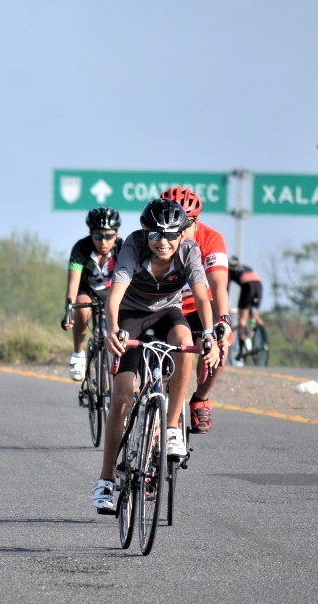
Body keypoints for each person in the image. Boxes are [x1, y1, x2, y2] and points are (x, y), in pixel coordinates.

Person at [91, 198, 222, 514]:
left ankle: (173, 427)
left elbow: (203, 297)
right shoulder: (133, 247)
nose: (162, 243)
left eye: (170, 235)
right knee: (122, 398)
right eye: (155, 235)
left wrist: (210, 335)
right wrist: (111, 329)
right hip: (131, 317)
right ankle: (106, 479)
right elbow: (116, 293)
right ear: (145, 234)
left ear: (181, 234)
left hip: (168, 313)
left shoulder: (189, 252)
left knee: (185, 341)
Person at [160, 187, 232, 434]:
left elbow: (218, 285)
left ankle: (201, 397)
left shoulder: (211, 239)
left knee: (224, 341)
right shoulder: (160, 239)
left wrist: (223, 320)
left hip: (198, 308)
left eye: (186, 223)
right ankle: (164, 403)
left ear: (196, 220)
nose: (180, 230)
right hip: (166, 307)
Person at [60, 207, 122, 383]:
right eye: (98, 236)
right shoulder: (81, 248)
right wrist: (68, 311)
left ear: (116, 234)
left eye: (109, 236)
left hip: (112, 292)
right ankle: (78, 354)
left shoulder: (122, 248)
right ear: (90, 235)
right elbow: (73, 283)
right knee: (82, 309)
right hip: (88, 290)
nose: (103, 241)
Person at [227, 256, 265, 359]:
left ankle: (242, 349)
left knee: (242, 321)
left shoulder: (228, 270)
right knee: (255, 315)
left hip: (247, 287)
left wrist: (226, 308)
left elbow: (225, 291)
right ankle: (261, 338)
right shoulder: (246, 266)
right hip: (259, 286)